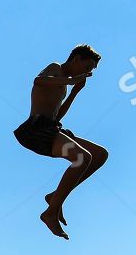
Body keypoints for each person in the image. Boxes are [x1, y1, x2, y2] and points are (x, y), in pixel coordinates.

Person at [13, 44, 108, 239]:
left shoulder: (64, 85)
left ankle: (54, 197)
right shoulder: (55, 68)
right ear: (76, 59)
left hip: (51, 127)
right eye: (87, 67)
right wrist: (71, 80)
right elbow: (38, 80)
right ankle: (51, 212)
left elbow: (57, 117)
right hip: (35, 129)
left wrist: (74, 92)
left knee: (99, 155)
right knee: (82, 157)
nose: (87, 73)